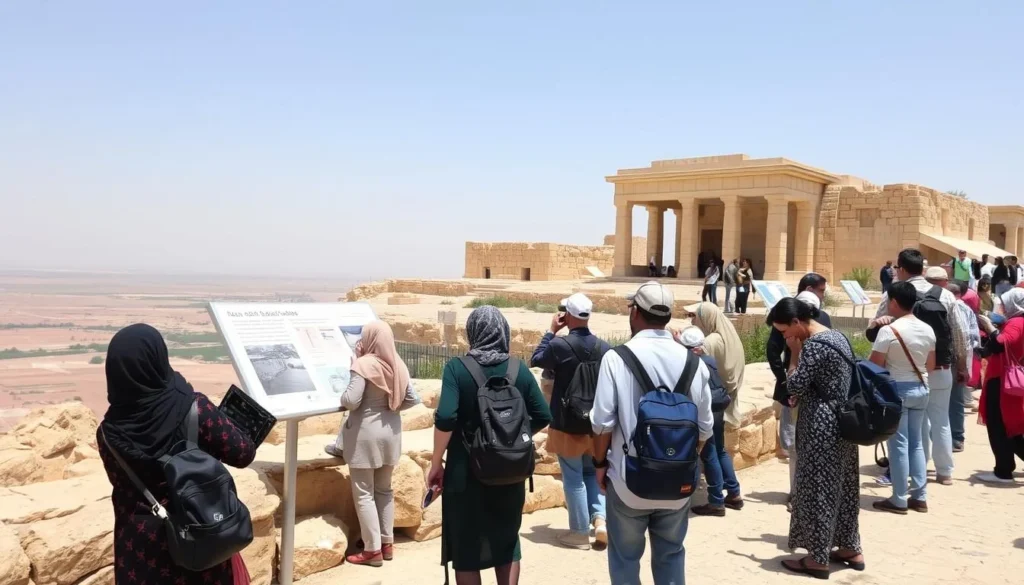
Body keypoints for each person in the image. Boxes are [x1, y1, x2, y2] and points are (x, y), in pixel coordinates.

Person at [97, 324, 257, 585]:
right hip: (197, 541)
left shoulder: (107, 433)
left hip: (140, 553)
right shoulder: (193, 409)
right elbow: (243, 453)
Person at [590, 281, 713, 585]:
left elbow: (602, 424)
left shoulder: (617, 358)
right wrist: (679, 461)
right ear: (668, 316)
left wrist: (599, 466)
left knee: (624, 559)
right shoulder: (694, 363)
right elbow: (705, 427)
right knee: (671, 555)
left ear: (635, 313)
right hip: (677, 485)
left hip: (628, 480)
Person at [428, 306, 551, 585]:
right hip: (510, 471)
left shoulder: (457, 369)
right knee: (507, 542)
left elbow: (446, 416)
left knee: (466, 548)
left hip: (465, 473)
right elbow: (543, 414)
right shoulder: (518, 369)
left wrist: (437, 462)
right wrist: (511, 439)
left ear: (472, 333)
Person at [769, 298, 863, 579]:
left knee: (818, 487)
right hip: (843, 423)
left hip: (820, 425)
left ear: (797, 322)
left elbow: (793, 386)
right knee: (843, 487)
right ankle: (850, 547)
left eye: (785, 331)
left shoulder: (814, 345)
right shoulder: (838, 338)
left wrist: (795, 353)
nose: (785, 338)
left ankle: (818, 557)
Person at [867, 250, 970, 487]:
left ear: (901, 269)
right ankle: (945, 472)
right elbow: (959, 333)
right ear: (922, 269)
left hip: (906, 371)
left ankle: (916, 471)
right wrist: (962, 365)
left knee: (918, 424)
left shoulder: (893, 294)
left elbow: (876, 328)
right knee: (941, 419)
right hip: (941, 366)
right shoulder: (945, 295)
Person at [530, 293, 609, 550]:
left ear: (569, 316)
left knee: (573, 477)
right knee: (591, 471)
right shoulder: (603, 347)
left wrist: (551, 330)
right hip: (596, 423)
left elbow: (537, 358)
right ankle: (600, 521)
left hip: (567, 421)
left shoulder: (560, 345)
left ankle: (577, 532)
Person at [341, 321, 415, 566]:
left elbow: (351, 400)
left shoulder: (363, 364)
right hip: (391, 434)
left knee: (364, 493)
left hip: (365, 436)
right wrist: (390, 408)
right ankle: (386, 543)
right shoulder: (398, 363)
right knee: (384, 490)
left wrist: (352, 369)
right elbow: (412, 398)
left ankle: (371, 551)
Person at [868, 281, 936, 514]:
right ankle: (920, 495)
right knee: (917, 443)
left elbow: (874, 365)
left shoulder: (889, 330)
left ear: (894, 302)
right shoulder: (927, 329)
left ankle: (898, 498)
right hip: (921, 387)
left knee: (898, 445)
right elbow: (931, 364)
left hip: (897, 390)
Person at [766, 275, 832, 503]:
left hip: (804, 396)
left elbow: (775, 353)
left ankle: (800, 495)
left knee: (796, 446)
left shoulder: (814, 335)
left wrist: (786, 378)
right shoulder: (822, 324)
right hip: (815, 398)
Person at [674, 326, 742, 516]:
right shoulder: (710, 359)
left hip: (706, 412)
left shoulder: (693, 364)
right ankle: (734, 492)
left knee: (709, 454)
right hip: (719, 409)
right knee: (720, 451)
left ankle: (716, 501)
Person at [976, 288, 1024, 484]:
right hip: (1010, 379)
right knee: (1011, 425)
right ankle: (1004, 467)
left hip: (1003, 380)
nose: (1002, 307)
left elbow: (1003, 342)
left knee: (998, 424)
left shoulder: (1016, 322)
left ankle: (1003, 471)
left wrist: (990, 327)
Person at [946, 281, 980, 453]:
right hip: (963, 358)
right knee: (957, 400)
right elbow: (973, 336)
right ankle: (957, 438)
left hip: (952, 360)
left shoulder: (950, 307)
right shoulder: (968, 309)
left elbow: (961, 336)